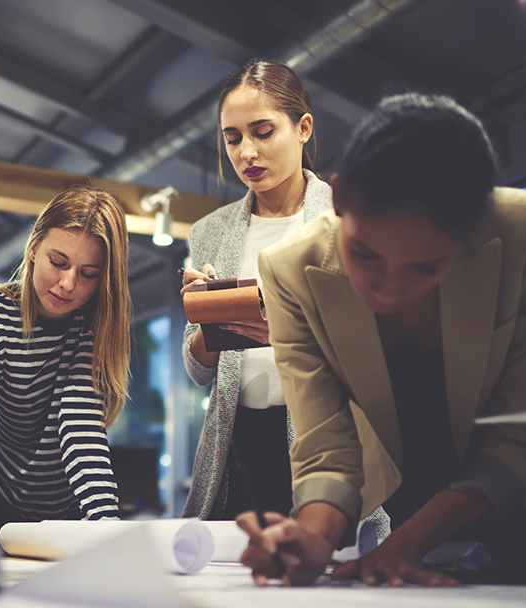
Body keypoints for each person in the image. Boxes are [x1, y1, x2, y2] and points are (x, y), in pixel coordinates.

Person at [240, 93, 526, 586]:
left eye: (425, 267)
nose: (389, 287)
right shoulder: (290, 270)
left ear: (474, 234)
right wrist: (312, 537)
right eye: (366, 254)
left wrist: (412, 542)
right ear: (337, 200)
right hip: (413, 502)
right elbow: (325, 444)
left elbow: (524, 432)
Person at [0, 185, 131, 545]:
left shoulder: (90, 328)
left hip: (65, 513)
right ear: (33, 249)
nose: (67, 284)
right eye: (58, 262)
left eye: (88, 273)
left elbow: (82, 433)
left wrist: (107, 526)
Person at [180, 60, 330, 521]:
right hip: (236, 437)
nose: (247, 152)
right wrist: (207, 317)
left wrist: (282, 334)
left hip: (323, 435)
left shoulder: (344, 221)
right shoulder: (210, 231)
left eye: (263, 132)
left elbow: (376, 352)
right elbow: (198, 369)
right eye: (232, 138)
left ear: (302, 127)